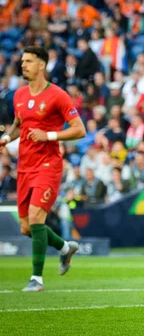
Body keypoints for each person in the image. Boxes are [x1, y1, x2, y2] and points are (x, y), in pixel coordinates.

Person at [0, 46, 86, 292]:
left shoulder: (58, 95)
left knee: (38, 217)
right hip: (24, 165)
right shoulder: (18, 95)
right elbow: (17, 124)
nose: (23, 65)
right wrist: (6, 139)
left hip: (48, 164)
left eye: (28, 61)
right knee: (27, 227)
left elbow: (80, 129)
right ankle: (64, 248)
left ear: (42, 65)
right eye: (22, 61)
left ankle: (36, 279)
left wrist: (48, 135)